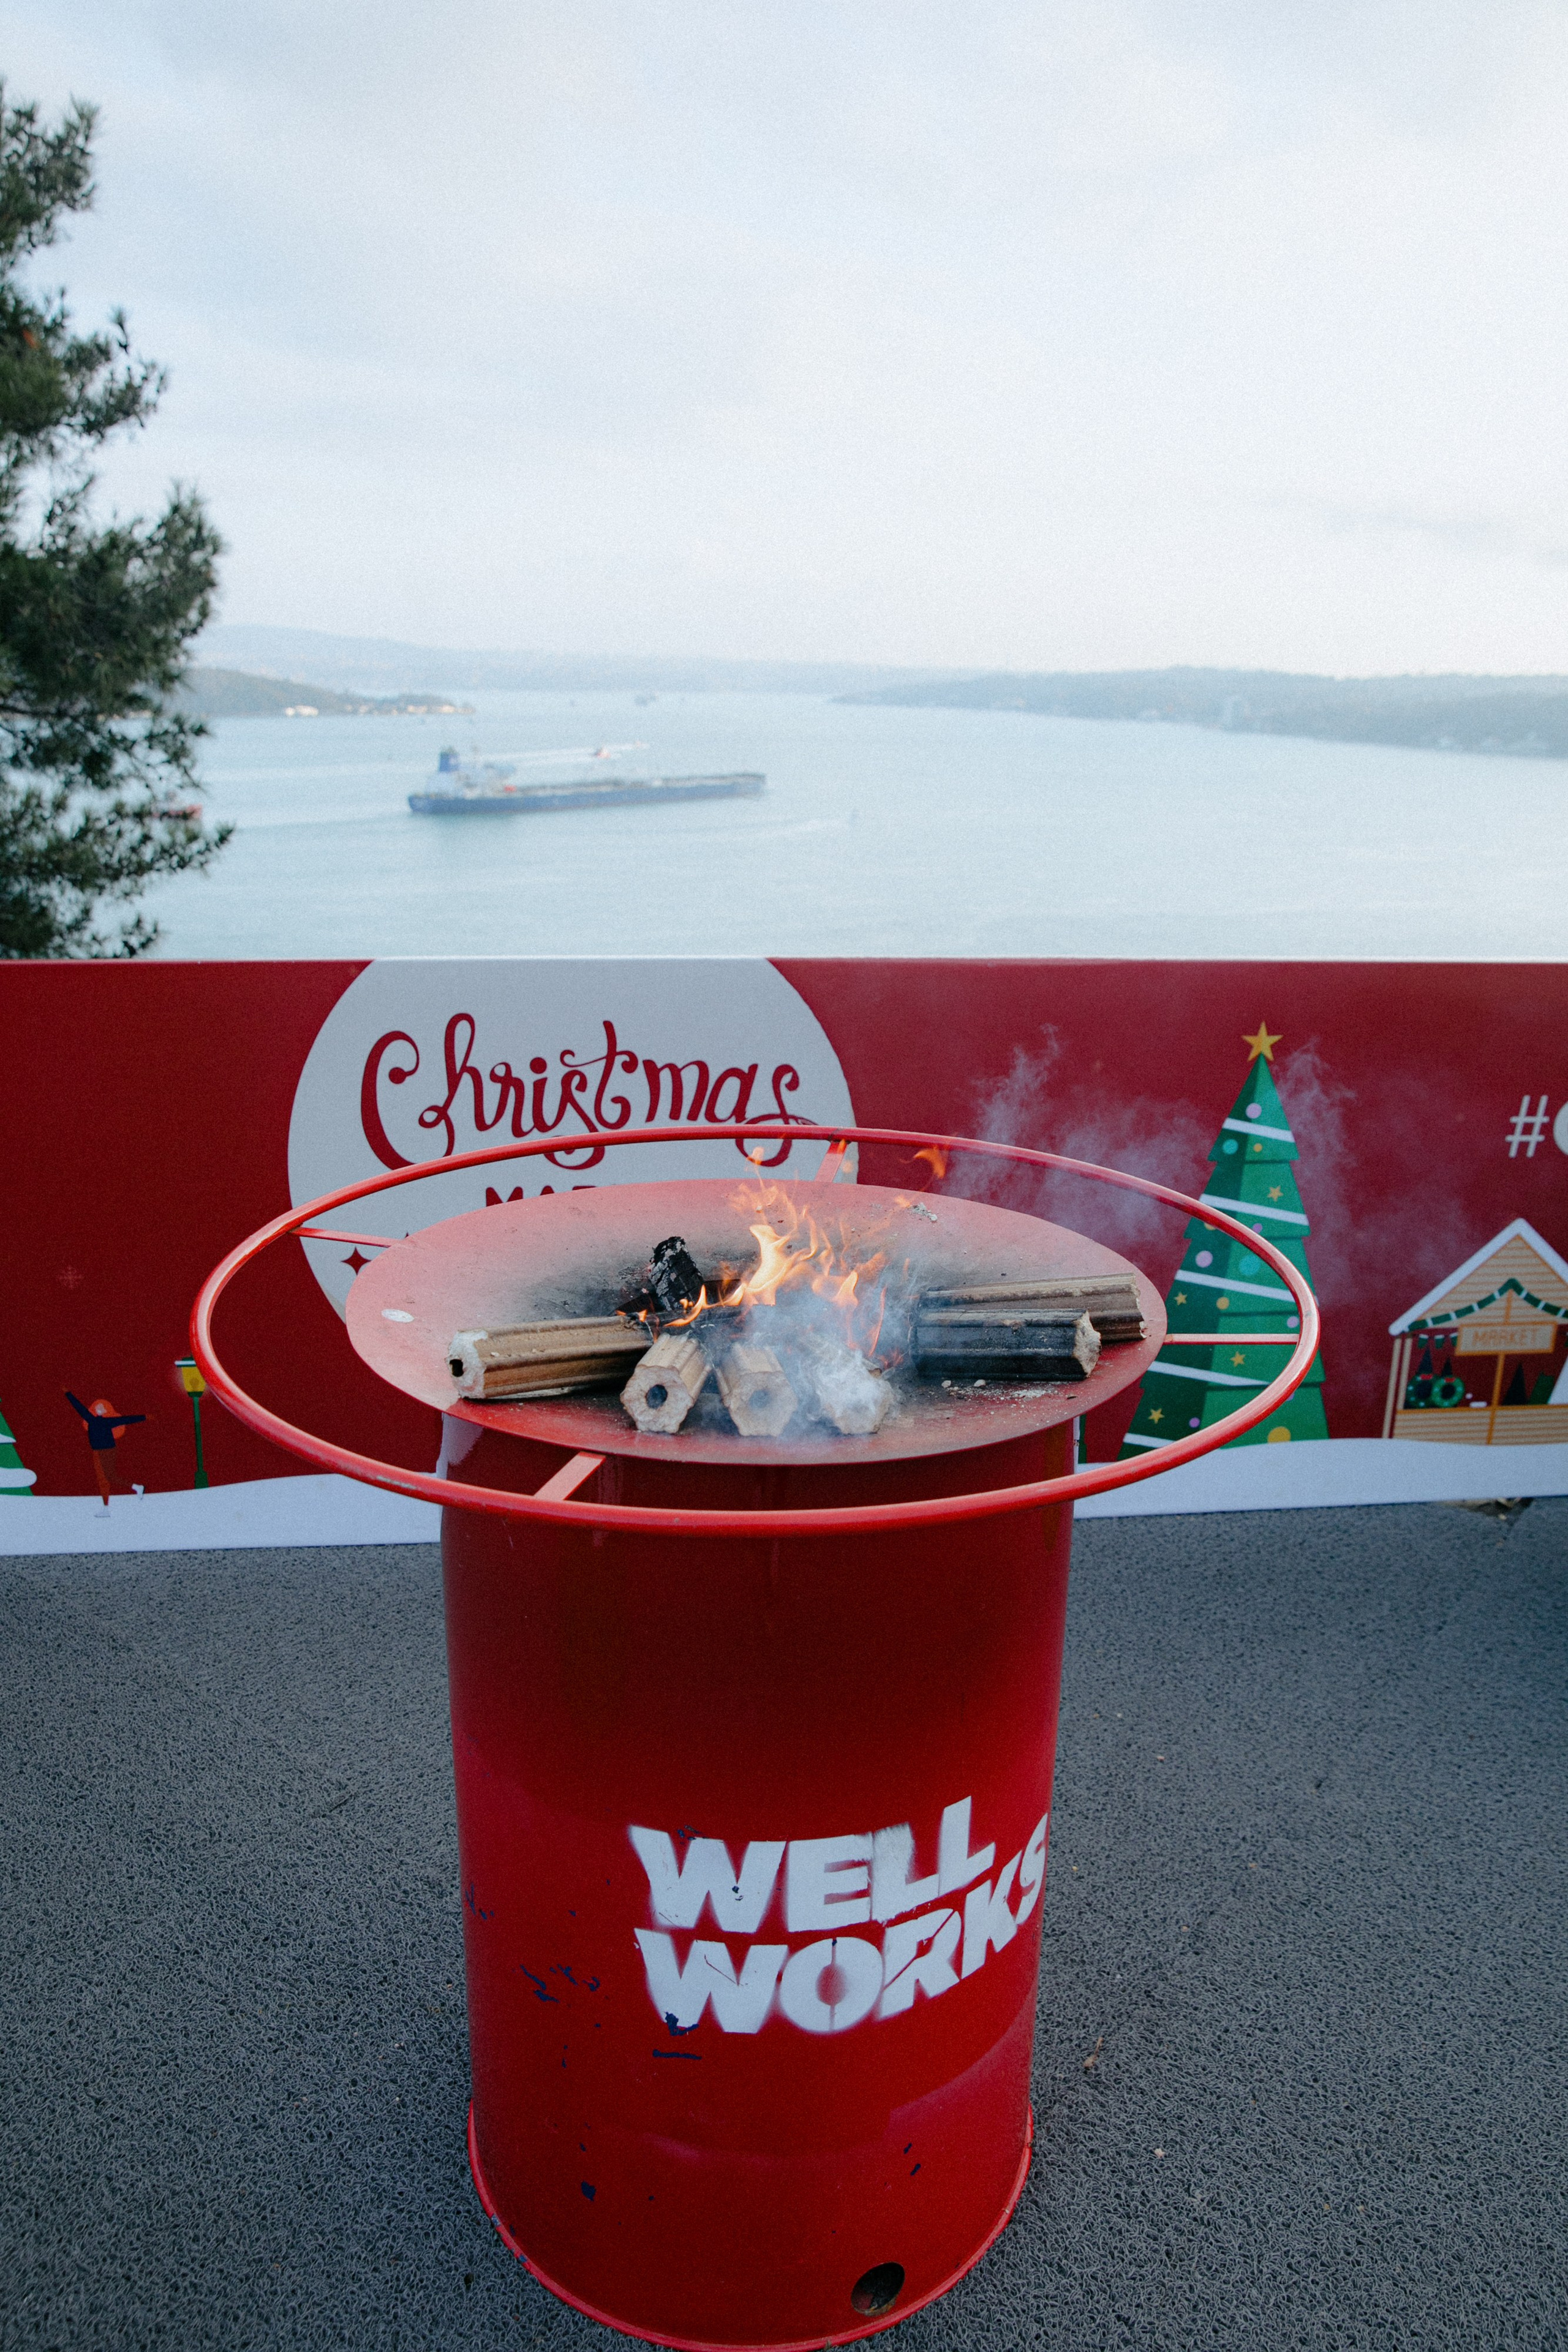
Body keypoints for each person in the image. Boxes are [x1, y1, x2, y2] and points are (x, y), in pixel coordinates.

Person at [64, 1392, 147, 1506]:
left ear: (105, 1411)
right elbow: (79, 1407)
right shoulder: (91, 1419)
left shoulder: (108, 1421)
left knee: (110, 1476)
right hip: (97, 1452)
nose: (99, 1408)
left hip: (108, 1451)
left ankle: (137, 1487)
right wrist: (68, 1394)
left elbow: (126, 1419)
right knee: (102, 1479)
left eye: (102, 1407)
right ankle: (106, 1507)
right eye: (97, 1407)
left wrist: (145, 1417)